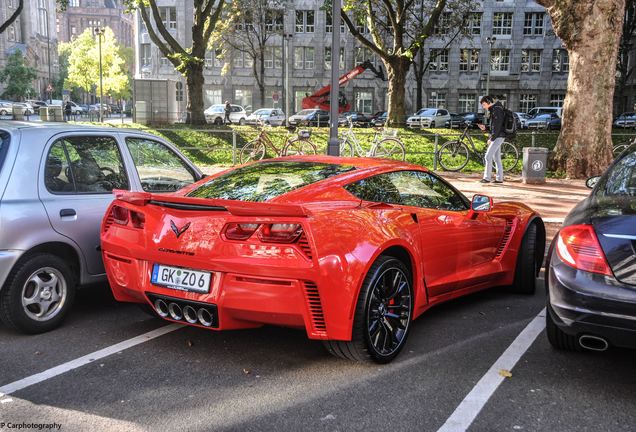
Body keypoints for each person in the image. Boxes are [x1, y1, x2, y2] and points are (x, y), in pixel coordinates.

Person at [477, 95, 505, 184]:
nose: (483, 106)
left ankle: (487, 178)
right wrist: (485, 128)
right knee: (496, 158)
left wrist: (492, 139)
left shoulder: (496, 110)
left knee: (488, 156)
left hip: (498, 136)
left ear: (489, 102)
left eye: (484, 104)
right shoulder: (495, 109)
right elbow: (494, 126)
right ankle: (499, 178)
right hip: (499, 135)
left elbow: (497, 126)